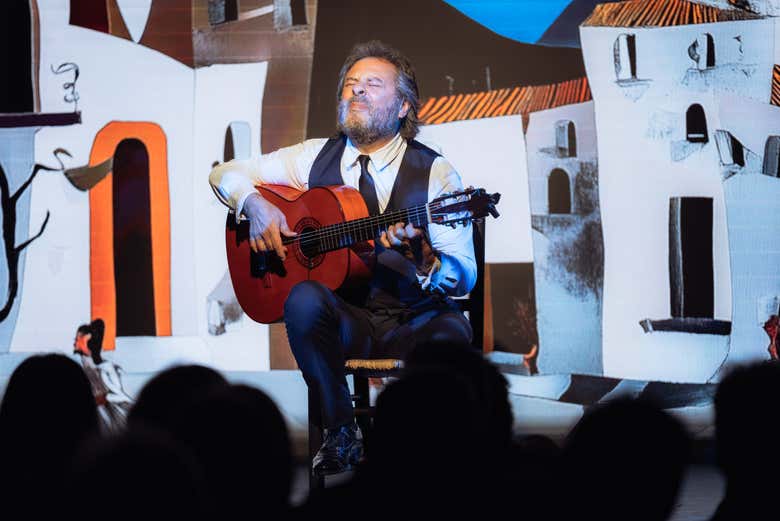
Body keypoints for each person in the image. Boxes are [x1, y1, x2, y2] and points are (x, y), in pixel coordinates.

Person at [209, 40, 476, 475]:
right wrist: (255, 207)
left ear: (405, 106)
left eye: (372, 84)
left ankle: (428, 460)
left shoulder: (436, 173)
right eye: (351, 84)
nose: (357, 92)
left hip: (414, 318)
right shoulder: (313, 156)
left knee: (453, 335)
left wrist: (426, 259)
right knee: (302, 300)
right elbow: (224, 174)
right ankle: (341, 432)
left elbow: (464, 275)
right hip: (347, 322)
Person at [73, 318, 133, 432]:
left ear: (87, 340)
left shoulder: (105, 369)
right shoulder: (84, 364)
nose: (75, 342)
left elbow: (122, 398)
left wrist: (103, 398)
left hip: (108, 416)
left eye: (78, 338)